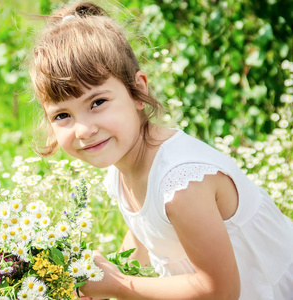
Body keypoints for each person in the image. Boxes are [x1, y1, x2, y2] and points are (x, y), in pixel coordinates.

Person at [28, 1, 293, 299]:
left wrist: (118, 285)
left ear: (138, 91)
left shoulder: (180, 184)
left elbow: (220, 290)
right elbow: (146, 237)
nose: (83, 130)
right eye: (62, 115)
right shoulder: (122, 166)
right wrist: (107, 274)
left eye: (97, 103)